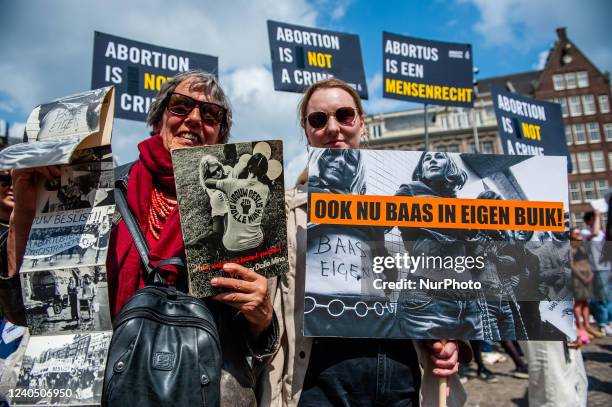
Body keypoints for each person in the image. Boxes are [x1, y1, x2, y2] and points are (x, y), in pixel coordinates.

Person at [6, 70, 278, 405]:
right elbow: (28, 310)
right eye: (181, 106)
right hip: (100, 388)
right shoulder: (96, 189)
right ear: (159, 117)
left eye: (211, 115)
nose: (194, 119)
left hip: (202, 392)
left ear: (221, 135)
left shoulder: (242, 205)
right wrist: (25, 199)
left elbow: (254, 344)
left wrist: (262, 316)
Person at [259, 78, 468, 407]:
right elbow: (266, 311)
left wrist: (450, 341)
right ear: (306, 129)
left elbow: (435, 279)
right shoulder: (284, 209)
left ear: (362, 123)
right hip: (317, 380)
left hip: (400, 373)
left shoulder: (402, 202)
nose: (333, 128)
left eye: (344, 116)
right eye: (318, 119)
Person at [395, 152, 482, 340]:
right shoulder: (411, 190)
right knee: (432, 361)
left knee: (457, 362)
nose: (433, 160)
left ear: (450, 166)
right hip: (428, 295)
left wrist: (475, 233)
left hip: (468, 300)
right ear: (421, 170)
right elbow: (379, 221)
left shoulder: (458, 204)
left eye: (439, 157)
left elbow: (473, 255)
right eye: (427, 159)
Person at [205, 153, 271, 253]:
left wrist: (223, 183)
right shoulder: (266, 189)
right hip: (256, 245)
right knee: (261, 227)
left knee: (227, 217)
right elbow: (265, 204)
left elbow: (207, 182)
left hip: (231, 246)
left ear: (248, 167)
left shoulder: (231, 183)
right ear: (263, 173)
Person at [581, 210, 612, 335]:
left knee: (609, 296)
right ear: (590, 221)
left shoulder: (602, 234)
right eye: (595, 219)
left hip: (607, 267)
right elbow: (594, 232)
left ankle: (609, 321)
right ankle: (602, 323)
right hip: (597, 268)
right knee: (602, 297)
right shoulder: (586, 232)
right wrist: (598, 215)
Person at [569, 227, 601, 343]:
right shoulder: (570, 247)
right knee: (578, 302)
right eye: (576, 233)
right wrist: (581, 276)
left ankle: (587, 325)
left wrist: (591, 273)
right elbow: (571, 264)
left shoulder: (583, 245)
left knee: (586, 302)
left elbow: (588, 261)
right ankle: (580, 326)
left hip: (587, 275)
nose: (579, 234)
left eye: (579, 232)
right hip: (578, 278)